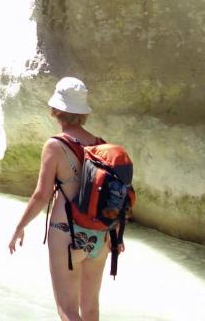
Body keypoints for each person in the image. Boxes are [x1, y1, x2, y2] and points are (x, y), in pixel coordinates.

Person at [8, 77, 121, 321]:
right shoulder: (101, 145)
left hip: (66, 232)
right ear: (82, 113)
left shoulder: (55, 145)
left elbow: (41, 195)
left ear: (56, 110)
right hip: (101, 235)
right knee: (90, 310)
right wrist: (117, 235)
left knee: (68, 311)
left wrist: (19, 227)